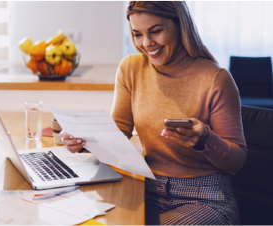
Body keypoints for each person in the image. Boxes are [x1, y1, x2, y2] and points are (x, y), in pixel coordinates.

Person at [60, 1, 247, 225]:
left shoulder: (216, 79)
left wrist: (204, 139)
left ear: (180, 25)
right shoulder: (131, 69)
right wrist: (84, 142)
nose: (147, 43)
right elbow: (117, 134)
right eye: (137, 34)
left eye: (156, 31)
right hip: (146, 188)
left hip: (205, 198)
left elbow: (236, 161)